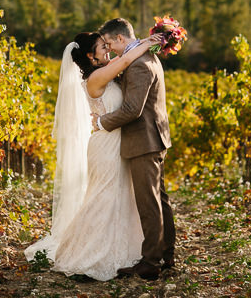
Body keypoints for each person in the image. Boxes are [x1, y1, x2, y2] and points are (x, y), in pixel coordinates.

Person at [25, 30, 162, 281]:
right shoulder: (97, 77)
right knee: (103, 197)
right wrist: (146, 43)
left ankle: (117, 251)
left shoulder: (106, 74)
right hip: (105, 145)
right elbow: (124, 61)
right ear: (90, 56)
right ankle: (87, 253)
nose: (107, 50)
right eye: (102, 47)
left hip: (116, 142)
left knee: (117, 196)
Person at [93, 17, 176, 281]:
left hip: (144, 141)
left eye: (109, 43)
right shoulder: (147, 55)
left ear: (120, 38)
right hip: (155, 137)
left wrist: (100, 122)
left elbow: (132, 109)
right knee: (159, 200)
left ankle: (151, 262)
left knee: (149, 203)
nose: (109, 50)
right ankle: (166, 255)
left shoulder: (139, 63)